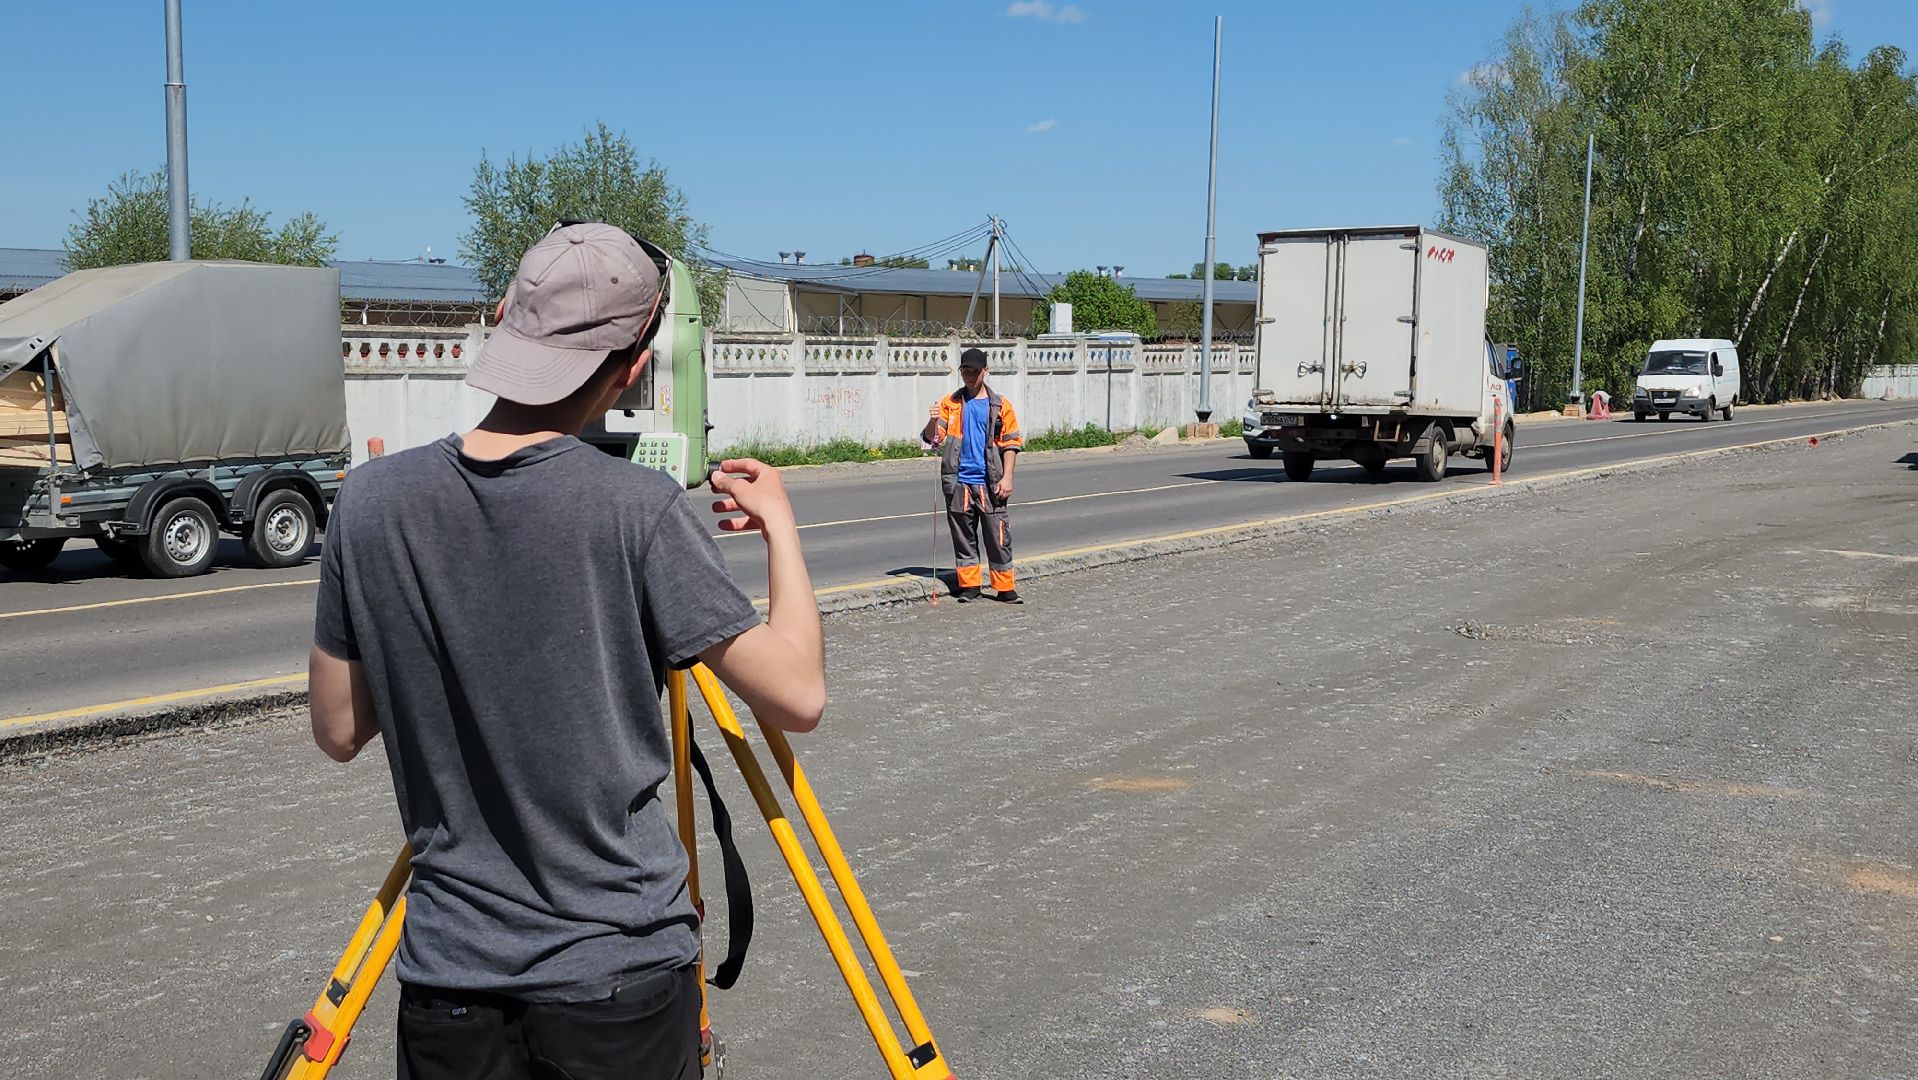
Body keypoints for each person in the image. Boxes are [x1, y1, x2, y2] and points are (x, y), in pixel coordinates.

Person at [307, 222, 825, 1080]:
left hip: (448, 987)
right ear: (632, 366)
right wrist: (780, 528)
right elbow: (798, 694)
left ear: (505, 316)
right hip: (616, 987)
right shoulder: (639, 509)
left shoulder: (368, 504)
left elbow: (336, 728)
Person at [922, 347, 1024, 603]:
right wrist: (933, 420)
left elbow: (1011, 444)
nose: (969, 376)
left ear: (985, 372)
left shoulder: (1000, 405)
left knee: (997, 537)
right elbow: (933, 439)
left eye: (975, 372)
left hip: (991, 483)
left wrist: (1007, 477)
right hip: (958, 483)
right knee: (963, 538)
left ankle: (1005, 588)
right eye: (965, 371)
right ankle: (970, 586)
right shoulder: (950, 404)